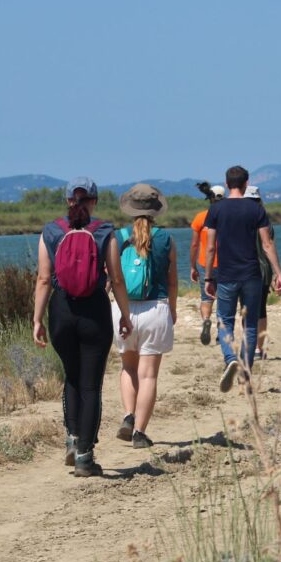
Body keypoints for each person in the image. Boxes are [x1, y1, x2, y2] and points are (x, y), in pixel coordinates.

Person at [33, 177, 131, 478]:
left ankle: (73, 440)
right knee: (91, 385)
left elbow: (44, 279)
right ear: (94, 201)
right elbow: (115, 279)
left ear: (67, 201)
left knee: (72, 378)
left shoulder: (50, 231)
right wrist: (125, 316)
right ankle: (86, 458)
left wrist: (37, 319)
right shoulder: (105, 231)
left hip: (61, 311)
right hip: (94, 312)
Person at [204, 166, 281, 392]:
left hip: (227, 275)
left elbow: (210, 247)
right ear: (246, 182)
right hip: (252, 274)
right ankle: (246, 372)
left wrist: (208, 277)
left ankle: (230, 357)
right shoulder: (255, 209)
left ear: (226, 182)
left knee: (224, 320)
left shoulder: (216, 210)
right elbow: (267, 244)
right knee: (250, 325)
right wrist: (279, 273)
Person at [112, 184, 177, 449]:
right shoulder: (166, 239)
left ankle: (128, 415)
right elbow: (172, 282)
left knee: (128, 367)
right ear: (155, 210)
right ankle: (140, 431)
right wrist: (172, 310)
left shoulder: (118, 237)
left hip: (123, 309)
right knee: (148, 375)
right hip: (155, 309)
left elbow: (113, 277)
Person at [189, 182, 224, 345]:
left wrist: (192, 266)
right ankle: (221, 332)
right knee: (224, 298)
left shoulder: (200, 217)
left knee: (206, 298)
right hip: (226, 263)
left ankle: (206, 321)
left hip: (205, 264)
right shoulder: (228, 215)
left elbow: (194, 245)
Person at [244, 185, 274, 360]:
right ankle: (258, 348)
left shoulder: (238, 219)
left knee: (246, 309)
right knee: (261, 310)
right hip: (263, 270)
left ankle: (248, 346)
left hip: (243, 270)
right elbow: (269, 246)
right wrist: (278, 273)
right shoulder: (266, 221)